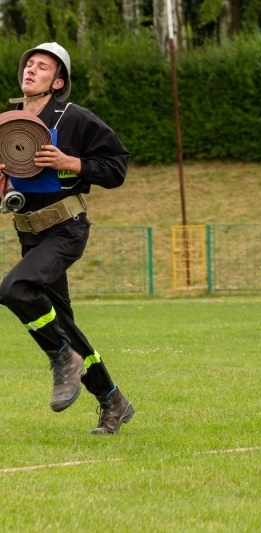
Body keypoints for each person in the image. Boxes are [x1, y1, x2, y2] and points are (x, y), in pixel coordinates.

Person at [0, 42, 134, 434]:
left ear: (57, 82)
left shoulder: (76, 119)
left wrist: (70, 162)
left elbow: (117, 166)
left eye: (42, 67)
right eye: (29, 65)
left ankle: (62, 359)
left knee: (13, 288)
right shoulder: (8, 123)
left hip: (66, 228)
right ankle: (113, 401)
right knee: (66, 325)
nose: (31, 70)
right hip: (28, 233)